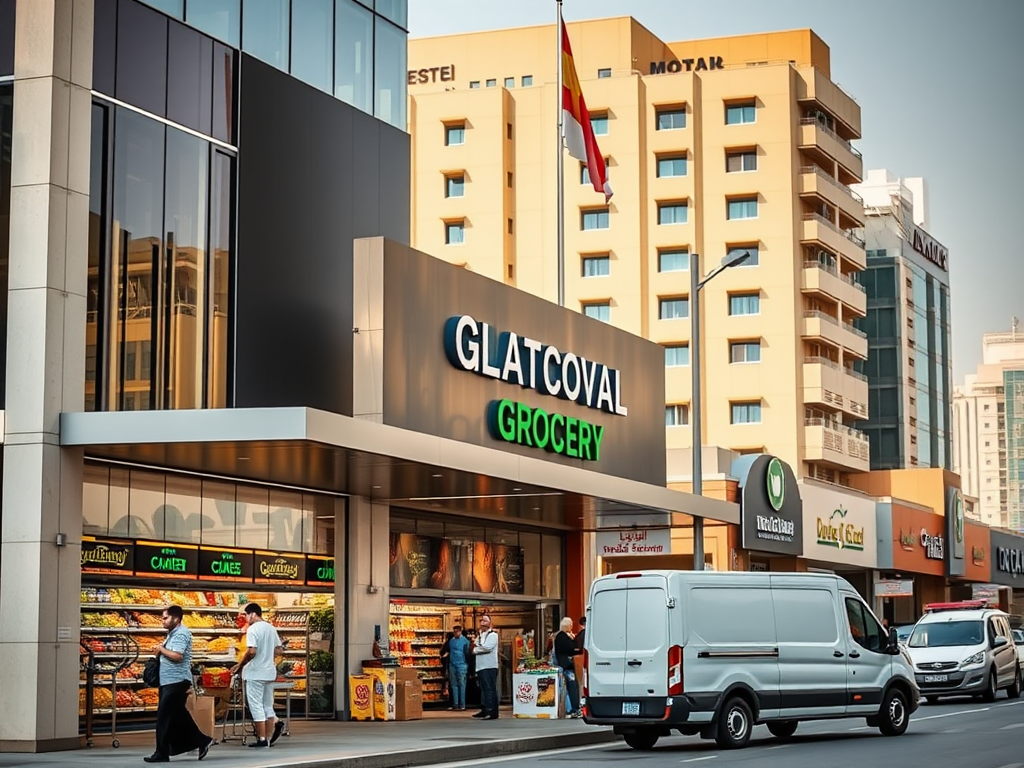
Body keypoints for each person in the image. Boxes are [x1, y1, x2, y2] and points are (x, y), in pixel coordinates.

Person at [144, 605, 214, 763]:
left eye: (165, 618)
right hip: (169, 681)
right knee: (177, 717)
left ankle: (161, 753)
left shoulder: (181, 633)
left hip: (176, 681)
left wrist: (161, 649)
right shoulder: (173, 633)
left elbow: (177, 656)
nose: (163, 621)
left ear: (176, 618)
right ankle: (202, 740)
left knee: (164, 718)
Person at [230, 603, 285, 748]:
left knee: (256, 706)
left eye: (246, 615)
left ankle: (261, 739)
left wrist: (240, 664)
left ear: (252, 614)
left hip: (255, 673)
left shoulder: (253, 629)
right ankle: (267, 738)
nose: (246, 618)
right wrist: (268, 655)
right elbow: (279, 650)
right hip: (269, 672)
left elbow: (252, 651)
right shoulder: (271, 628)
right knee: (268, 705)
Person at [472, 614, 499, 720]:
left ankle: (492, 711)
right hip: (480, 666)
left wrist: (475, 650)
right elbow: (477, 644)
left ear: (490, 623)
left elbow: (487, 647)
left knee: (489, 689)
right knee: (483, 689)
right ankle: (485, 709)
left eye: (485, 621)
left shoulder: (493, 635)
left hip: (489, 666)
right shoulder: (480, 635)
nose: (483, 623)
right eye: (481, 621)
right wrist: (477, 647)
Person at [554, 617, 582, 718]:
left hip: (565, 665)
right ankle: (574, 708)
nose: (571, 627)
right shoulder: (563, 636)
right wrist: (573, 641)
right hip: (567, 665)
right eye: (570, 625)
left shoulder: (560, 636)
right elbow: (570, 648)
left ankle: (572, 708)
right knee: (572, 687)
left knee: (569, 688)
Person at [447, 625, 470, 711]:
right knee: (454, 684)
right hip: (453, 664)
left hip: (462, 665)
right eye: (454, 632)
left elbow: (467, 654)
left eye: (457, 631)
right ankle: (456, 704)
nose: (455, 633)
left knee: (461, 684)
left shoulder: (465, 641)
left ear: (460, 631)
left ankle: (462, 704)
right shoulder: (451, 641)